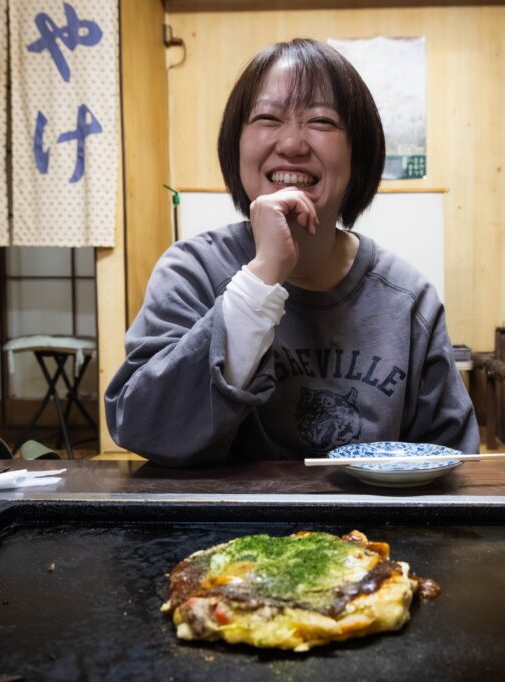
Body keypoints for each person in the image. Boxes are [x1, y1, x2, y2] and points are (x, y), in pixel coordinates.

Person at [106, 38, 478, 466]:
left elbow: (452, 463)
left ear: (359, 152)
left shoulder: (407, 299)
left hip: (368, 534)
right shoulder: (192, 272)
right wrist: (259, 281)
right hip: (219, 531)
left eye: (321, 121)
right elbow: (141, 426)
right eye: (267, 117)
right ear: (236, 145)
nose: (292, 144)